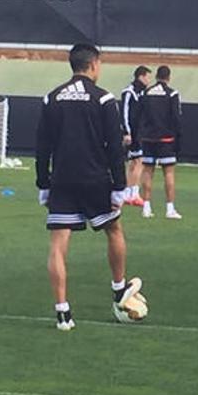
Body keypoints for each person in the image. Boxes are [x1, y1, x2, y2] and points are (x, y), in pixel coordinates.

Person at [35, 43, 140, 331]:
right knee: (114, 229)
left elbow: (42, 145)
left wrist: (43, 182)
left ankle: (62, 312)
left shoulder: (52, 98)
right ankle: (118, 287)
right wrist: (120, 187)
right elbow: (115, 147)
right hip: (95, 179)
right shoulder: (104, 99)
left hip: (63, 180)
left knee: (58, 245)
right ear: (94, 65)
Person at [139, 65, 182, 219]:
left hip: (148, 138)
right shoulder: (172, 94)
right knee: (168, 173)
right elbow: (176, 117)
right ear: (168, 77)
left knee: (147, 172)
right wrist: (178, 137)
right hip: (166, 139)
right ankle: (170, 209)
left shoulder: (145, 92)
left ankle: (146, 207)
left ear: (157, 76)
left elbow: (139, 115)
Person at [121, 65, 152, 206]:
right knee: (138, 162)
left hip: (139, 132)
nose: (149, 80)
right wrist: (127, 132)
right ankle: (134, 193)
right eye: (147, 77)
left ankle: (128, 193)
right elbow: (125, 113)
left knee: (133, 163)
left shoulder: (142, 93)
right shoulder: (129, 92)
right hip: (132, 133)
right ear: (141, 76)